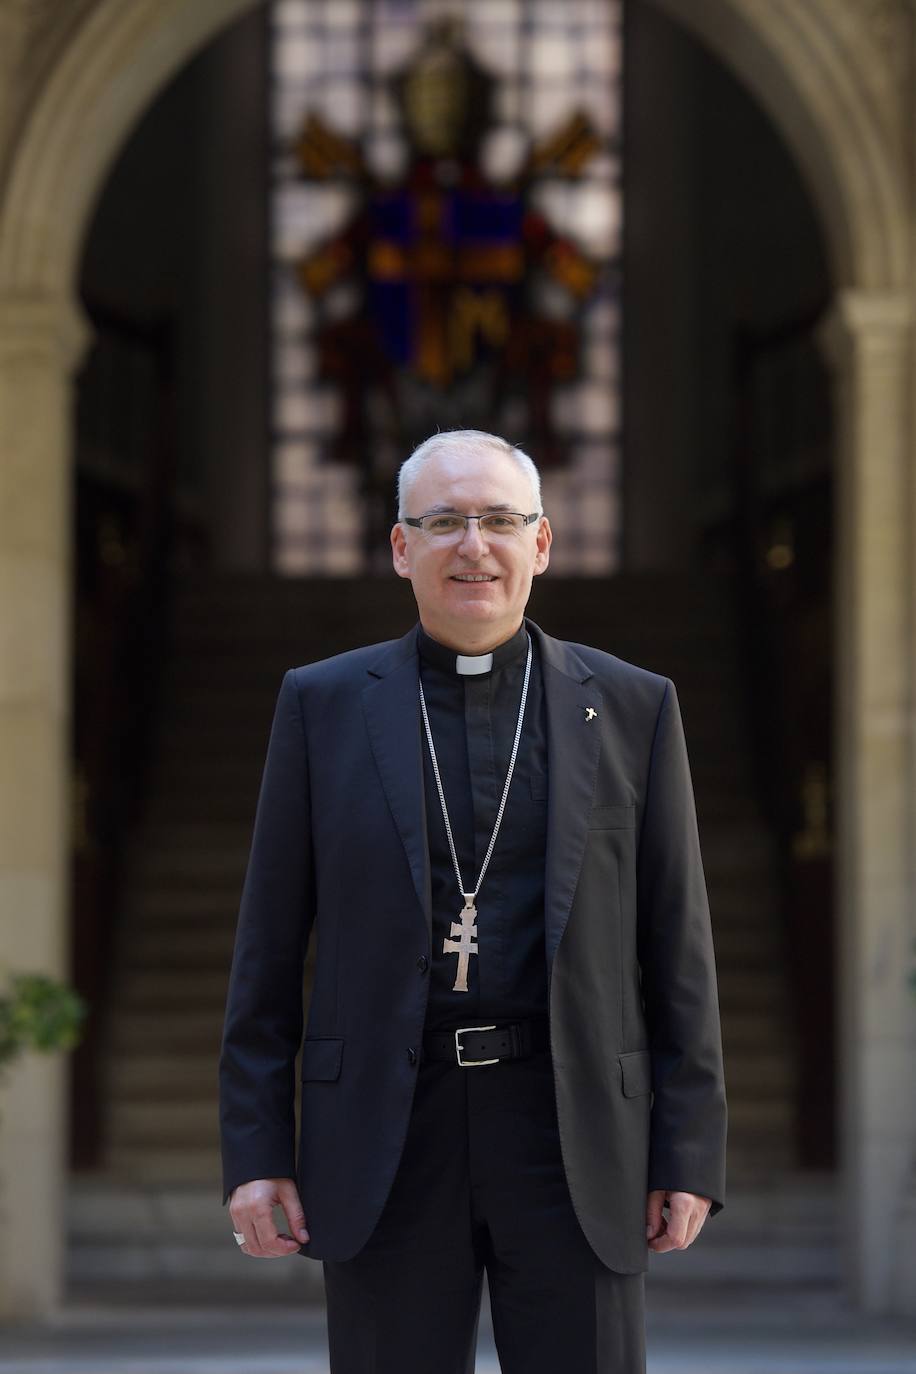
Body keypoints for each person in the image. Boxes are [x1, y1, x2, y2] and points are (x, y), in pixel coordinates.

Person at [219, 429, 727, 1374]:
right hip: (387, 1129)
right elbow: (268, 949)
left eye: (499, 520)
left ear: (541, 544)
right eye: (444, 521)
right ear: (401, 547)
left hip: (571, 1130)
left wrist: (687, 1152)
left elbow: (677, 945)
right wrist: (256, 1150)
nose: (473, 545)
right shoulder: (322, 704)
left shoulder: (632, 707)